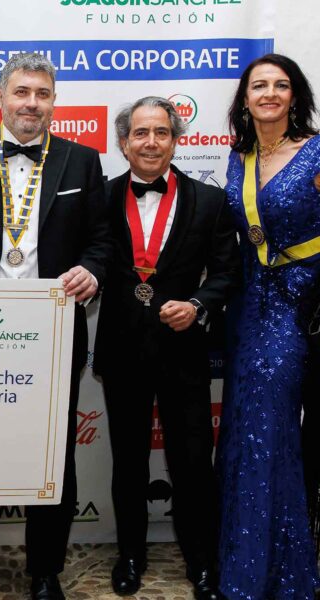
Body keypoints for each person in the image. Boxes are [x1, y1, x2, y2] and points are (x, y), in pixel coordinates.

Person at [0, 51, 112, 600]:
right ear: (0, 97)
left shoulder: (82, 161)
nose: (31, 104)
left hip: (51, 332)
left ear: (54, 101)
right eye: (22, 92)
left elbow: (101, 240)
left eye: (42, 94)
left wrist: (92, 270)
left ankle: (44, 571)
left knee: (52, 452)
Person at [93, 96, 238, 599]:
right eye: (140, 133)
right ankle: (130, 555)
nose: (151, 142)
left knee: (193, 461)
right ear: (123, 142)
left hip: (183, 352)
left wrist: (198, 304)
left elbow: (227, 273)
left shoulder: (210, 201)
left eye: (161, 132)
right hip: (122, 350)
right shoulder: (101, 197)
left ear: (176, 141)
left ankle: (201, 561)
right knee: (128, 461)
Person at [217, 53, 320, 599]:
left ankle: (284, 574)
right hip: (249, 307)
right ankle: (244, 564)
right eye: (260, 85)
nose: (270, 93)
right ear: (246, 98)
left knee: (274, 427)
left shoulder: (317, 151)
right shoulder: (239, 157)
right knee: (245, 428)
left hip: (302, 307)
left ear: (295, 96)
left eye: (281, 85)